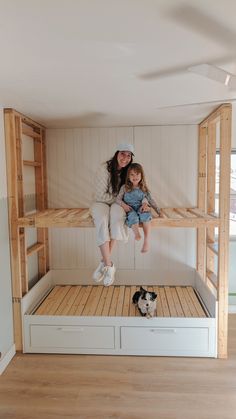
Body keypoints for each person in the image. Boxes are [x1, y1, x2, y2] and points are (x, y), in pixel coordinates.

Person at [91, 143, 134, 286]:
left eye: (129, 156)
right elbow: (99, 195)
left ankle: (104, 263)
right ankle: (110, 265)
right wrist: (119, 201)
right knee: (102, 218)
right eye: (123, 154)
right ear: (116, 154)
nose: (125, 158)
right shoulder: (104, 168)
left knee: (116, 217)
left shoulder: (128, 171)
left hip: (117, 203)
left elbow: (133, 190)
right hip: (100, 201)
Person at [116, 163, 160, 253]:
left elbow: (151, 200)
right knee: (133, 217)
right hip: (130, 209)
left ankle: (146, 240)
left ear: (141, 175)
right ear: (128, 176)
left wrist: (158, 211)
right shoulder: (124, 187)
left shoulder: (143, 188)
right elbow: (117, 199)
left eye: (137, 174)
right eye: (132, 174)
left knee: (145, 215)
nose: (135, 177)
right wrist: (124, 205)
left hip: (141, 208)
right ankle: (137, 234)